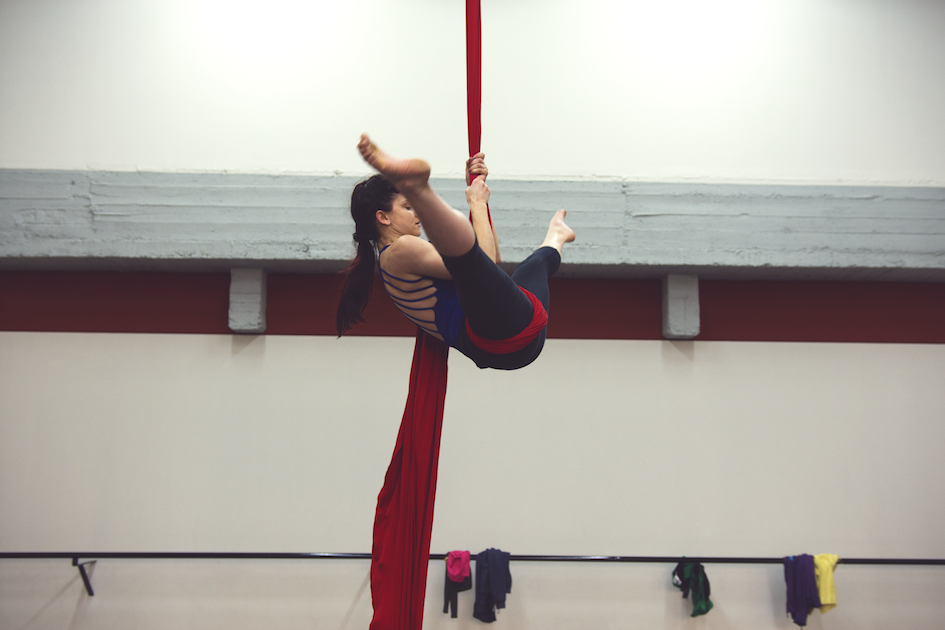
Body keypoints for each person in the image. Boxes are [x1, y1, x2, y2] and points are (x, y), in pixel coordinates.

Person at [335, 134, 575, 370]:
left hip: (516, 345)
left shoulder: (393, 262)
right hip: (498, 330)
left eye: (414, 205)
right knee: (465, 262)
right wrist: (477, 202)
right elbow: (484, 263)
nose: (416, 214)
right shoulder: (399, 249)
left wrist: (478, 194)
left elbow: (493, 259)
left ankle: (557, 235)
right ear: (383, 217)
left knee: (533, 266)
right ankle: (420, 190)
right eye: (409, 207)